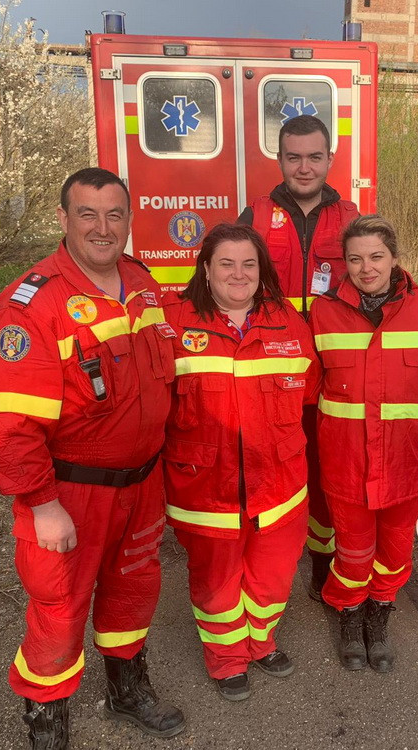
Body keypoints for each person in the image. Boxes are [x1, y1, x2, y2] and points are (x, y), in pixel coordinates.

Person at [0, 167, 185, 748]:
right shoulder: (32, 305)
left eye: (114, 214)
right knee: (59, 606)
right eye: (87, 214)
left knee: (134, 588)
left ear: (129, 220)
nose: (102, 227)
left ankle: (127, 688)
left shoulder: (141, 283)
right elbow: (10, 427)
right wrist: (41, 504)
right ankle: (47, 719)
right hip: (70, 492)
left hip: (142, 482)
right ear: (63, 219)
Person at [161, 223, 322, 701]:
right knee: (216, 581)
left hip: (279, 483)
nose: (238, 274)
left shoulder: (288, 323)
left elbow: (308, 394)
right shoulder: (172, 324)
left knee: (273, 576)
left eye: (249, 264)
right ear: (206, 269)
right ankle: (227, 657)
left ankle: (261, 640)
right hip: (205, 487)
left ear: (262, 269)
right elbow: (153, 406)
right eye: (226, 263)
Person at [309, 215, 418, 672]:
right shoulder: (322, 312)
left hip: (407, 459)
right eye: (355, 259)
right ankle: (350, 613)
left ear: (394, 257)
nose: (366, 268)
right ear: (344, 262)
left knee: (394, 552)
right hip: (346, 459)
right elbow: (306, 386)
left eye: (376, 256)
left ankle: (379, 612)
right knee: (352, 552)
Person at [238, 114, 359, 599]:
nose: (304, 167)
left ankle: (322, 560)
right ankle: (267, 562)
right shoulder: (254, 217)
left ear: (330, 159)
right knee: (274, 468)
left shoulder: (351, 218)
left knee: (328, 471)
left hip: (334, 371)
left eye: (314, 157)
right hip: (274, 373)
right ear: (279, 160)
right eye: (293, 157)